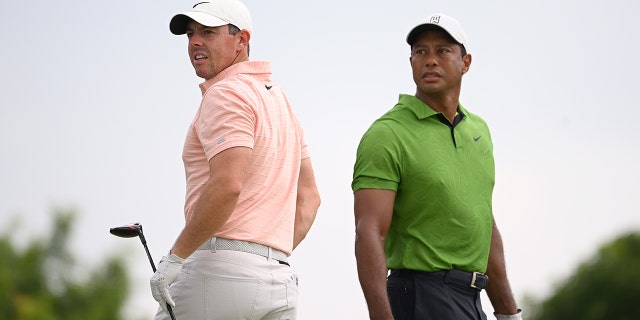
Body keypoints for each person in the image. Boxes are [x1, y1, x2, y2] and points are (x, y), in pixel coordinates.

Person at [149, 1, 321, 319]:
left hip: (218, 273)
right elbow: (310, 199)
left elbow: (227, 185)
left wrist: (175, 259)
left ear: (241, 40)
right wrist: (265, 258)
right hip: (280, 280)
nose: (195, 42)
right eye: (190, 34)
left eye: (208, 33)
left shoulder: (225, 93)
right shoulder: (280, 100)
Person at [352, 13, 522, 320]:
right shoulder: (387, 134)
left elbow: (484, 225)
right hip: (419, 296)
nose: (430, 60)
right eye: (421, 51)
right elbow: (369, 233)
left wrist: (509, 313)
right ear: (411, 62)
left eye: (442, 50)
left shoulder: (478, 132)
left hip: (471, 301)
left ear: (465, 63)